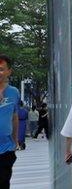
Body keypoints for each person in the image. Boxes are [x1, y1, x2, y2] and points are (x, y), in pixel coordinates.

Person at [0, 56, 19, 189]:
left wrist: (15, 142)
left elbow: (14, 117)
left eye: (1, 69)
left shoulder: (14, 92)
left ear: (9, 72)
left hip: (6, 149)